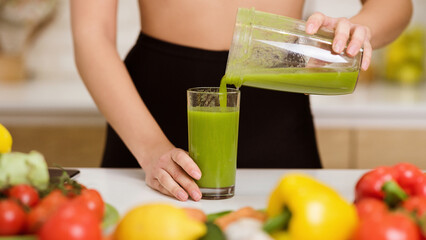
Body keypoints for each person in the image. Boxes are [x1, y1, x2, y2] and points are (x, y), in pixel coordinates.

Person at [70, 0, 412, 202]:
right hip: (148, 115)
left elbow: (395, 5)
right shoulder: (148, 142)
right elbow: (91, 34)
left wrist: (355, 30)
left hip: (277, 109)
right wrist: (150, 149)